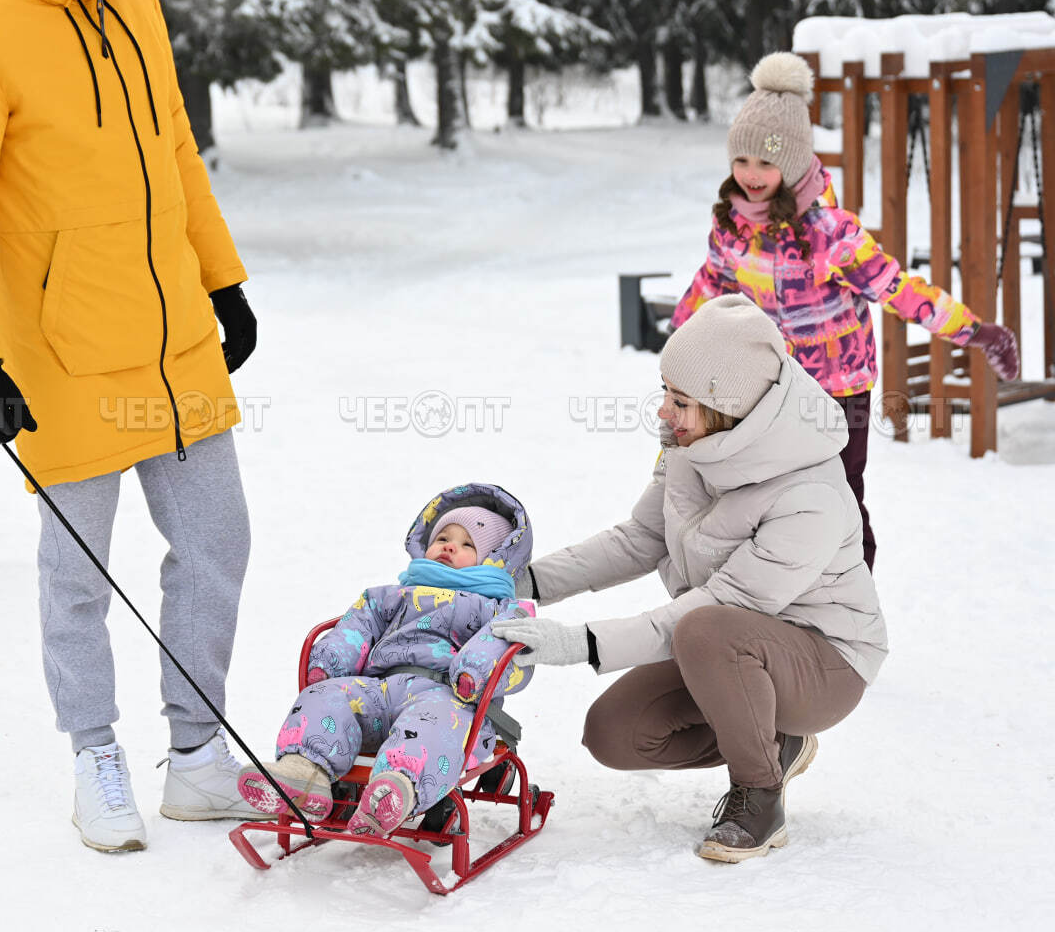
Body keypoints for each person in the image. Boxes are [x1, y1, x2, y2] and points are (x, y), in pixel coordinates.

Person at [0, 0, 263, 853]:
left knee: (216, 542)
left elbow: (175, 155)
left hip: (172, 342)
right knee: (79, 571)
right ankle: (94, 755)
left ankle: (197, 758)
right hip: (59, 355)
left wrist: (223, 278)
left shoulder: (137, 8)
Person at [497, 295, 887, 863]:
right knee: (615, 733)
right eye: (665, 392)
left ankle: (759, 793)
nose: (663, 412)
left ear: (731, 411)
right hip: (725, 650)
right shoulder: (693, 447)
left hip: (825, 661)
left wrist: (579, 642)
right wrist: (519, 580)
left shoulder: (811, 496)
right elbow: (638, 539)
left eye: (680, 401)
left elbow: (722, 604)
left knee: (706, 629)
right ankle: (777, 742)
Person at [670, 51, 1019, 569]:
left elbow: (899, 289)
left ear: (791, 164)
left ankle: (852, 603)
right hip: (773, 387)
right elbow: (712, 286)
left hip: (839, 387)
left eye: (766, 162)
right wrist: (678, 349)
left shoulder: (832, 233)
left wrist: (977, 333)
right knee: (765, 497)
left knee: (838, 496)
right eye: (742, 160)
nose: (751, 174)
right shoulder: (732, 226)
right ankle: (779, 600)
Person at [238, 484, 534, 837]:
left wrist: (475, 670)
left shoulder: (499, 608)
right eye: (443, 537)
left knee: (432, 724)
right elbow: (357, 627)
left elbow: (504, 644)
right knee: (326, 696)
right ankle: (303, 774)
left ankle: (396, 790)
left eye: (468, 544)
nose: (450, 546)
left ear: (494, 559)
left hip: (448, 696)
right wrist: (330, 661)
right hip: (378, 688)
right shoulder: (390, 596)